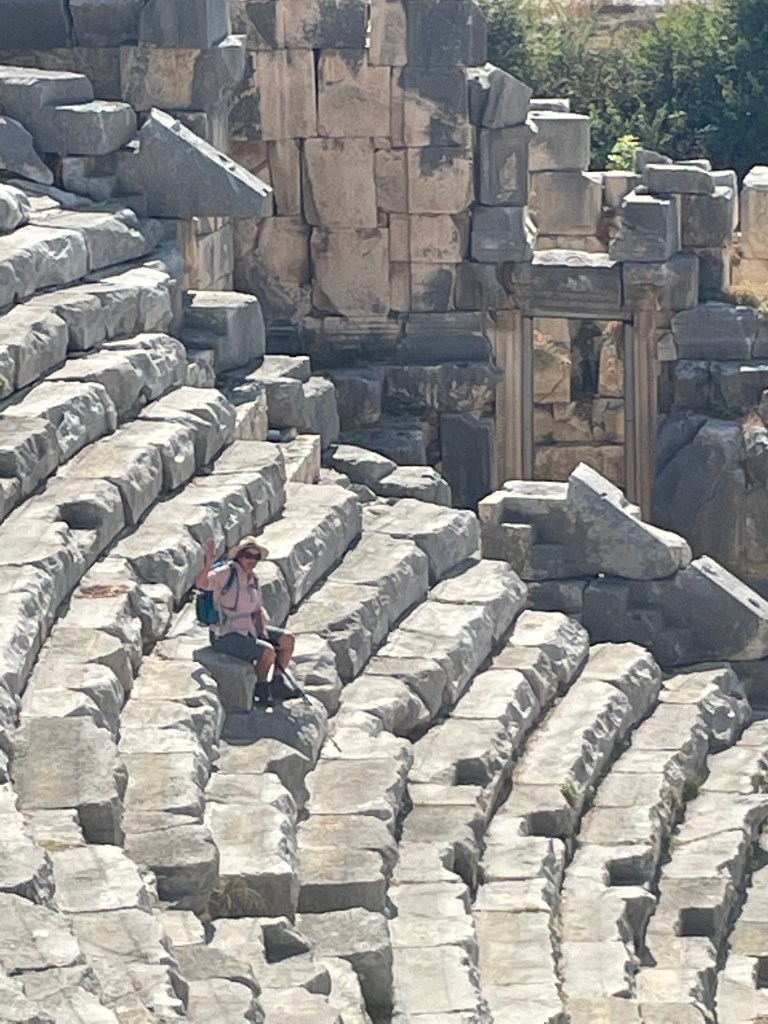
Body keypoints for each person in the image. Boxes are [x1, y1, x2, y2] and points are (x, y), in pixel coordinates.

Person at [196, 535, 297, 708]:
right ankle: (261, 688)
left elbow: (256, 610)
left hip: (249, 630)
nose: (252, 561)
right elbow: (202, 584)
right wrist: (209, 562)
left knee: (287, 639)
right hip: (226, 634)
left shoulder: (253, 579)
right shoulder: (227, 573)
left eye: (256, 557)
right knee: (267, 652)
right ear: (239, 556)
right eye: (248, 556)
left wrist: (262, 633)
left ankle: (277, 682)